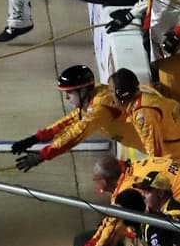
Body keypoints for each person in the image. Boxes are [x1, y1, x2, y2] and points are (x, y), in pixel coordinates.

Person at [9, 64, 139, 169]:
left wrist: (43, 155)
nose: (66, 97)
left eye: (69, 92)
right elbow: (69, 121)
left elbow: (76, 134)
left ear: (82, 91)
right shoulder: (95, 95)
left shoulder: (99, 109)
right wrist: (34, 139)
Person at [110, 67, 180, 174]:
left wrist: (152, 178)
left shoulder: (143, 113)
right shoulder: (145, 98)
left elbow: (155, 153)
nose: (110, 95)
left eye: (111, 91)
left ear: (121, 94)